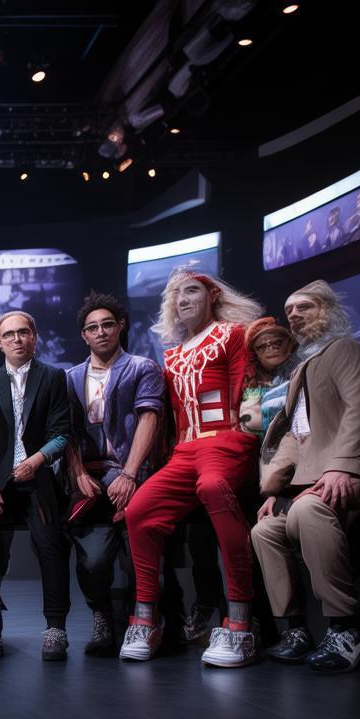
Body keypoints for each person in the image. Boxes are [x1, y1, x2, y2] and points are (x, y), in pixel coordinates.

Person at [121, 272, 264, 666]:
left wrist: (250, 436)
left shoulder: (234, 334)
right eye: (175, 294)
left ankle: (240, 623)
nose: (182, 299)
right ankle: (146, 618)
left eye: (191, 290)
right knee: (139, 510)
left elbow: (248, 386)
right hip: (185, 451)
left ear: (212, 294)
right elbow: (173, 417)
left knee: (214, 487)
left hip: (226, 440)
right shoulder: (171, 355)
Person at [253, 280, 360, 672]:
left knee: (308, 511)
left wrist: (341, 467)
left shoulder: (347, 350)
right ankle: (296, 629)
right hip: (322, 474)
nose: (294, 315)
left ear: (329, 309)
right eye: (289, 310)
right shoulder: (305, 367)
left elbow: (359, 413)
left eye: (305, 306)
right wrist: (277, 489)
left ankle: (346, 627)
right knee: (265, 530)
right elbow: (299, 435)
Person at [0, 310, 72, 662]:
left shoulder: (53, 377)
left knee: (50, 541)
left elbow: (62, 434)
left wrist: (36, 461)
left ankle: (55, 627)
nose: (16, 339)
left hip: (37, 475)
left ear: (34, 337)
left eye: (23, 332)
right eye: (9, 334)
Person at [181, 316, 299, 646]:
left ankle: (261, 623)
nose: (270, 348)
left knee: (250, 547)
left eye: (277, 341)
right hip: (239, 472)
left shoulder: (298, 375)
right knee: (202, 538)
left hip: (278, 476)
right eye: (261, 345)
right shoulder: (240, 382)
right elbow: (219, 422)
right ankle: (218, 611)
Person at [65, 293, 164, 657]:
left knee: (140, 556)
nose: (101, 332)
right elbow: (67, 431)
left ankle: (146, 620)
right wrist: (77, 472)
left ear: (120, 326)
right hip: (90, 481)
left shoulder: (142, 368)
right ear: (84, 335)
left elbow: (149, 418)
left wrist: (131, 474)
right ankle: (102, 615)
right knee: (92, 561)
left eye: (107, 324)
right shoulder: (71, 377)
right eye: (92, 327)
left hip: (135, 475)